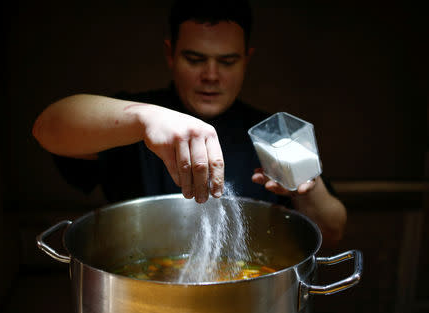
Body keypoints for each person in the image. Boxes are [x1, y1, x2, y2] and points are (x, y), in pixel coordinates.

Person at [32, 0, 346, 247]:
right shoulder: (133, 121)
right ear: (170, 54)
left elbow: (332, 233)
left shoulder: (272, 133)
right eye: (195, 59)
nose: (211, 75)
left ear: (247, 59)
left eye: (227, 61)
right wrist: (144, 118)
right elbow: (46, 127)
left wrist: (306, 185)